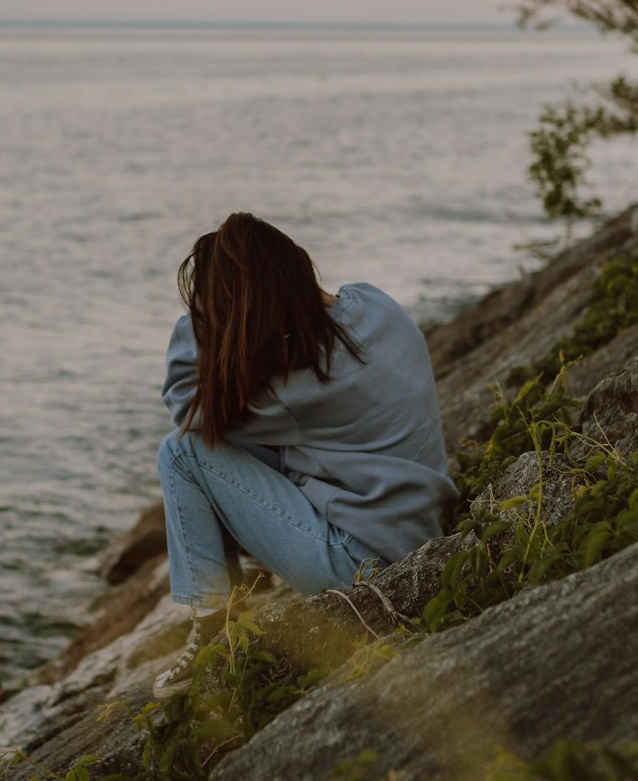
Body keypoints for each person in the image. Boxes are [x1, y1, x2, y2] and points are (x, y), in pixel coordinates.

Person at [152, 211, 457, 699]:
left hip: (363, 562)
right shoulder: (376, 304)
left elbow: (187, 407)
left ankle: (213, 625)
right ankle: (229, 591)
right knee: (229, 440)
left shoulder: (299, 390)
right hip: (419, 524)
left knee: (183, 452)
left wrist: (203, 318)